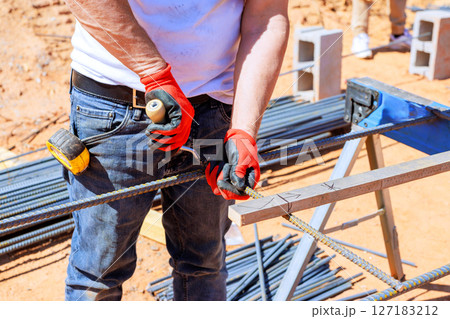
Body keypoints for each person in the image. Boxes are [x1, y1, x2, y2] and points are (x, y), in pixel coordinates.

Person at [62, 0, 289, 301]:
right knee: (98, 274)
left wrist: (243, 130)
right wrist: (153, 72)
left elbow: (266, 16)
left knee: (204, 264)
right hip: (116, 107)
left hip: (214, 110)